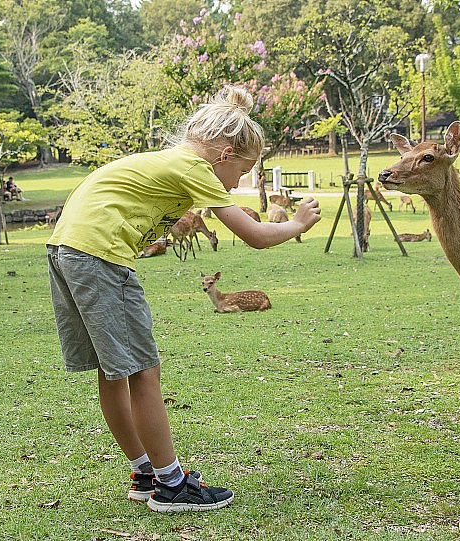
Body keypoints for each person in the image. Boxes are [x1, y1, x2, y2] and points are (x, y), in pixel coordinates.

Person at [46, 86, 321, 513]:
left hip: (66, 249)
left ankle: (145, 472)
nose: (238, 183)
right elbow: (255, 236)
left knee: (114, 370)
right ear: (225, 155)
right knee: (144, 371)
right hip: (100, 255)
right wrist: (298, 224)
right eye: (243, 171)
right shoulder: (195, 166)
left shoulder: (167, 161)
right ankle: (172, 485)